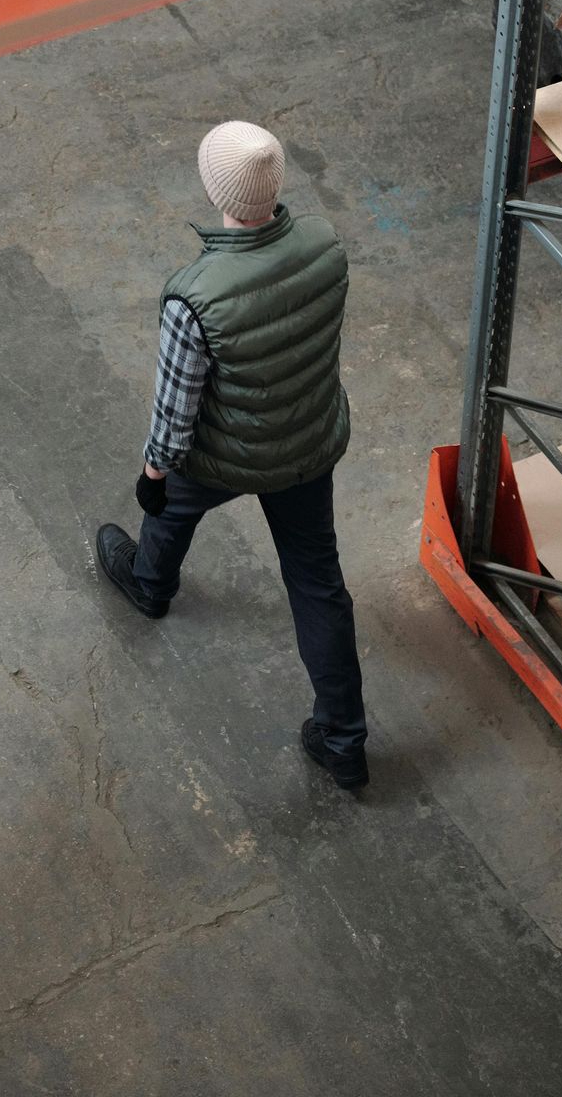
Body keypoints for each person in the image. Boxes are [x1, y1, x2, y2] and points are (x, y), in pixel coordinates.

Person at [94, 121, 368, 790]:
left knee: (168, 501)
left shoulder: (197, 293)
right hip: (305, 445)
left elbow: (176, 410)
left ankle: (151, 583)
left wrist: (154, 471)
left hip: (223, 456)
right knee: (318, 584)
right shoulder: (325, 246)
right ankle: (344, 739)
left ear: (215, 189)